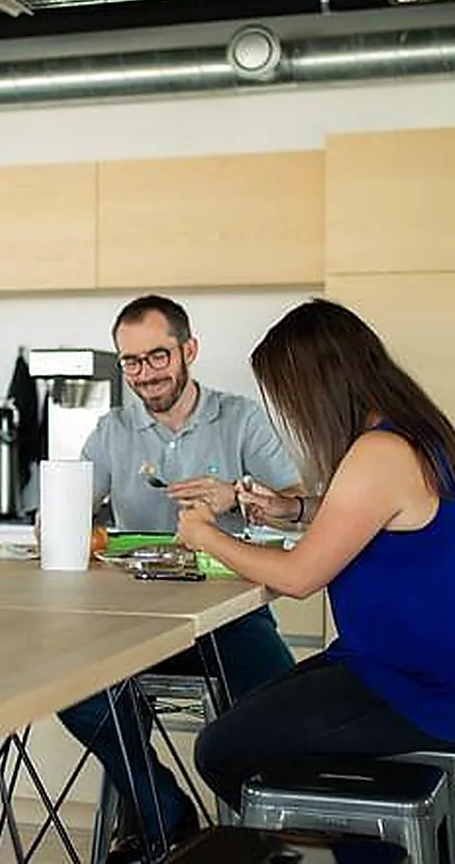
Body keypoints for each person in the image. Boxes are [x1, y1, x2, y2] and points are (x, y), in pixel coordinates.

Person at [184, 299, 455, 813]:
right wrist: (292, 509)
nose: (291, 414)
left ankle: (344, 844)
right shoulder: (414, 433)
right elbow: (375, 516)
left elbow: (299, 576)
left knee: (220, 750)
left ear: (318, 388)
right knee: (253, 720)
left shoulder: (378, 455)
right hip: (443, 675)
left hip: (415, 689)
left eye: (289, 399)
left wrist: (205, 535)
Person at [54, 295, 305, 863]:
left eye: (158, 356)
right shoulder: (112, 430)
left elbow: (299, 501)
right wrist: (62, 516)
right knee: (73, 693)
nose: (145, 374)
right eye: (132, 362)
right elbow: (76, 509)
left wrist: (237, 497)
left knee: (278, 708)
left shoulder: (240, 418)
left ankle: (261, 839)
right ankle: (166, 816)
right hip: (133, 626)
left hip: (230, 619)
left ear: (188, 350)